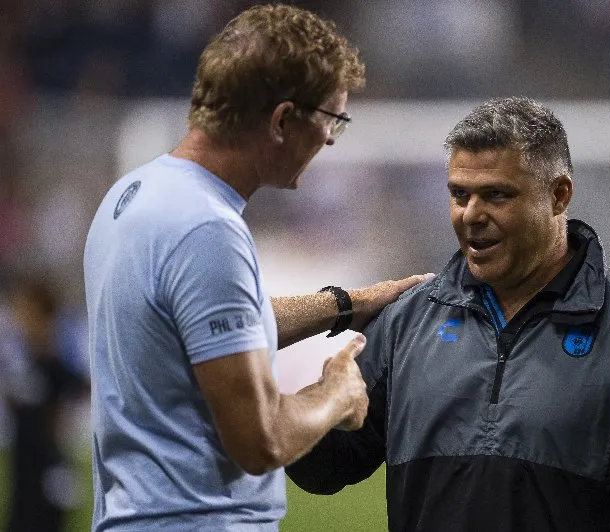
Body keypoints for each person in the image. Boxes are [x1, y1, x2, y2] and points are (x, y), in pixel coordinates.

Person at [286, 97, 610, 531]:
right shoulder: (408, 322)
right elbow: (326, 469)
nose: (471, 215)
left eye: (496, 195)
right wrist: (307, 401)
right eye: (459, 194)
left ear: (559, 195)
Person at [83, 4, 428, 531]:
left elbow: (207, 329)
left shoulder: (136, 193)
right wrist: (337, 394)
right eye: (331, 120)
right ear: (283, 120)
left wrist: (347, 305)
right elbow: (260, 440)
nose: (330, 140)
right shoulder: (206, 229)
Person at [0, 275, 89, 532]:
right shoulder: (21, 361)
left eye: (26, 311)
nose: (19, 320)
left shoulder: (53, 363)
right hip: (24, 468)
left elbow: (79, 388)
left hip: (46, 466)